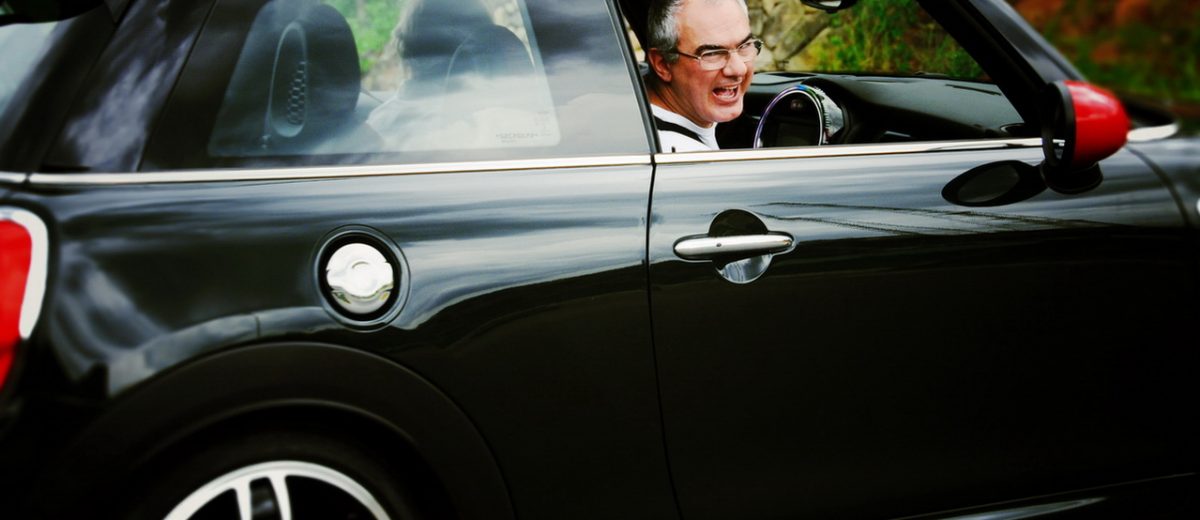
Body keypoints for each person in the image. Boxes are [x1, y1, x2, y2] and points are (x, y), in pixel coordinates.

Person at [645, 0, 759, 152]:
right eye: (712, 54)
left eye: (745, 46)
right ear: (663, 65)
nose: (739, 69)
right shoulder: (676, 154)